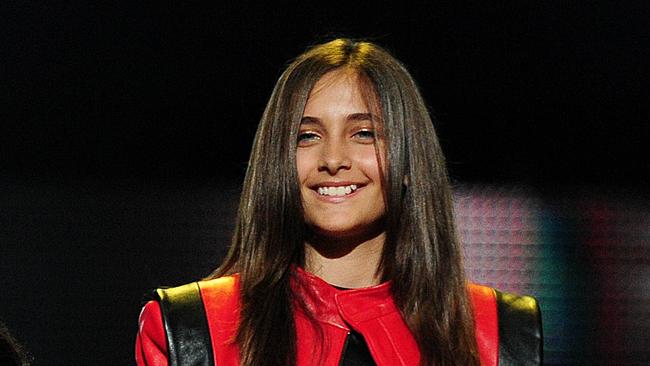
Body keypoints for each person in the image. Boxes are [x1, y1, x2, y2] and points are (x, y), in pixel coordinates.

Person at [135, 38, 542, 366]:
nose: (333, 160)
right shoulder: (192, 326)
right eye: (307, 136)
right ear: (278, 160)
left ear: (407, 162)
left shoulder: (496, 330)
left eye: (364, 133)